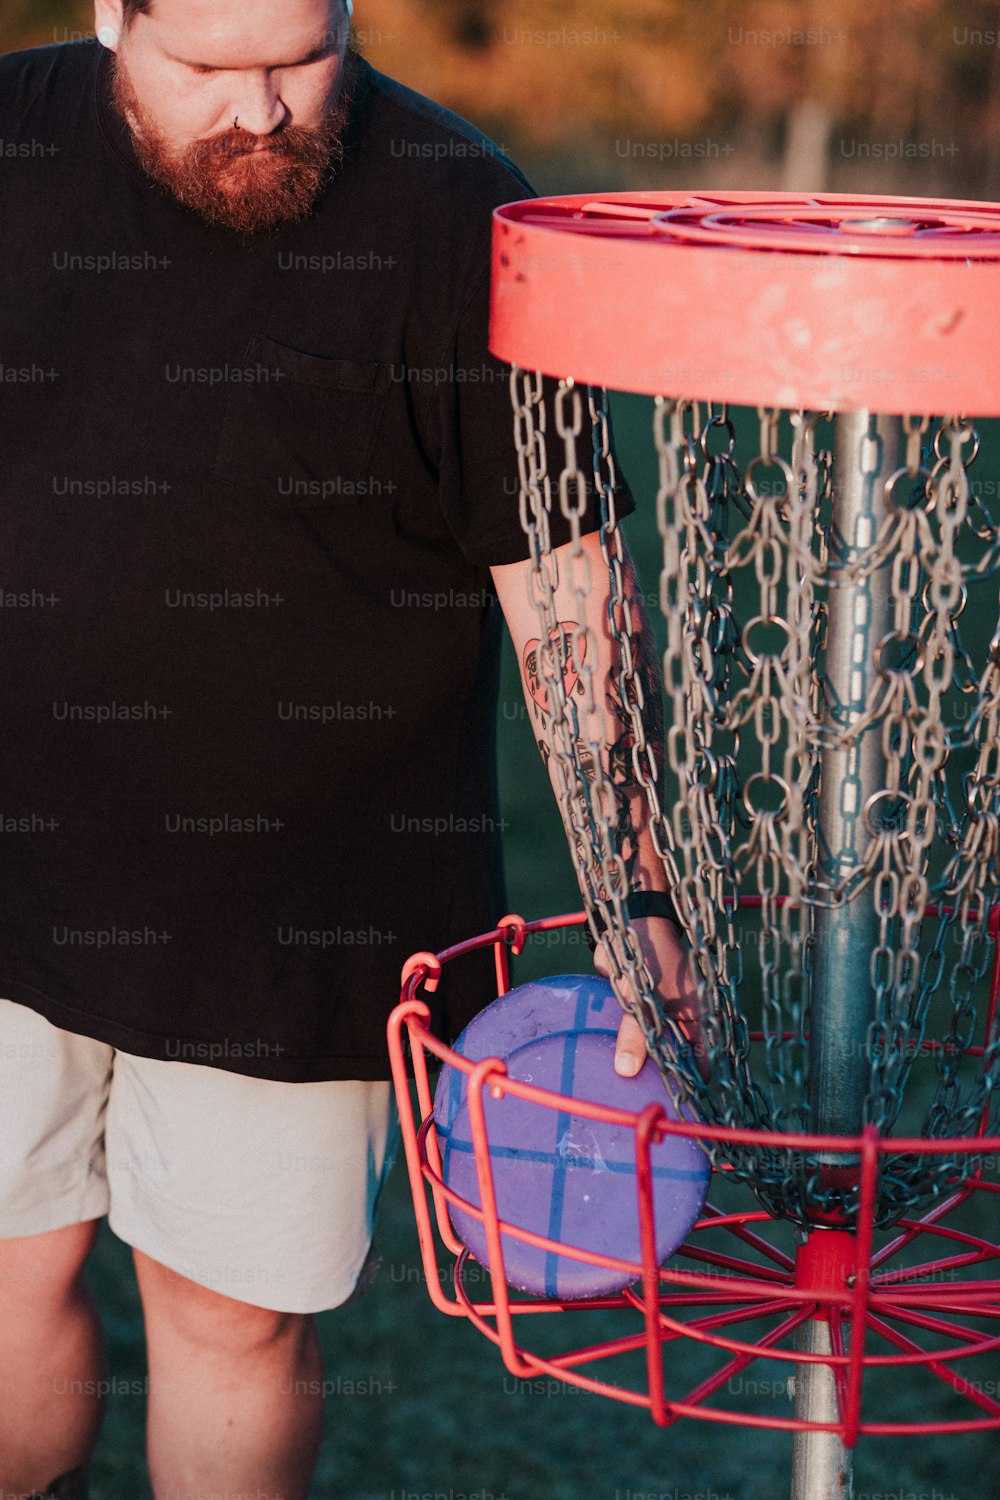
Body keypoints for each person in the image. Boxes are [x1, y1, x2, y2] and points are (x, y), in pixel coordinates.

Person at [0, 1, 697, 1495]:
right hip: (15, 856)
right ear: (110, 15)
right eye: (205, 71)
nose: (261, 112)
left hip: (305, 914)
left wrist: (643, 904)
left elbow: (571, 595)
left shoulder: (469, 220)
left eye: (299, 60)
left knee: (227, 1323)